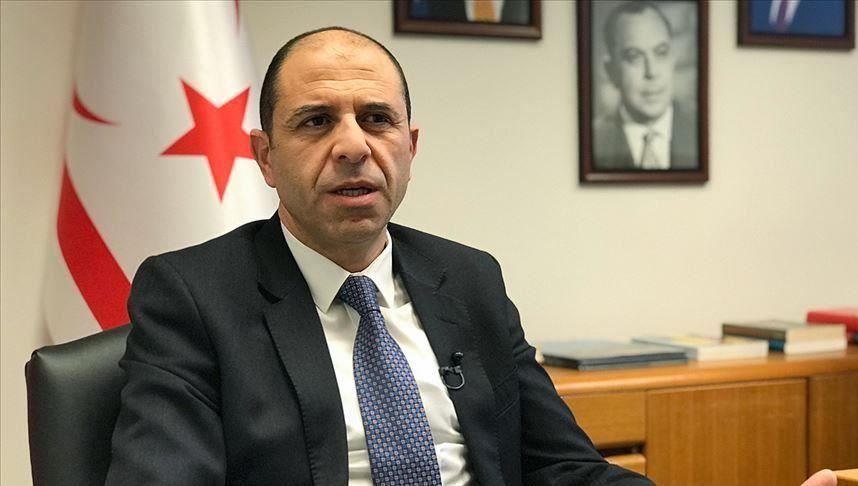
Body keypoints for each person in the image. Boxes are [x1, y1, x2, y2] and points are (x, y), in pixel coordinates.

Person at [105, 27, 651, 485]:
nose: (353, 147)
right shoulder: (193, 295)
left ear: (410, 147)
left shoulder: (469, 278)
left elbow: (562, 466)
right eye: (317, 121)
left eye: (376, 119)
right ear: (265, 157)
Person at [593, 1, 698, 171]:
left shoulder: (700, 129)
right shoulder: (594, 140)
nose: (651, 72)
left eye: (661, 52)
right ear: (610, 71)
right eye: (634, 56)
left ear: (673, 59)